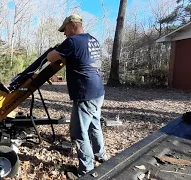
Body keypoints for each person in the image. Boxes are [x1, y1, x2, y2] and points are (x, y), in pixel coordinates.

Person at [46, 14, 107, 180]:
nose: (64, 34)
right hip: (98, 91)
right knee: (94, 125)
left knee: (78, 133)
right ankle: (101, 155)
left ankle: (86, 170)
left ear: (73, 25)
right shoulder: (93, 40)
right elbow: (82, 59)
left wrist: (54, 50)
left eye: (65, 29)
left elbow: (50, 57)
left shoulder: (73, 41)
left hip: (85, 93)